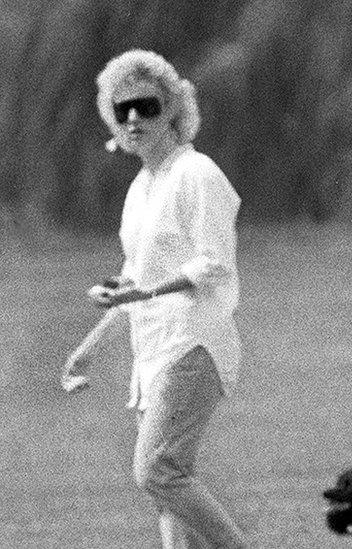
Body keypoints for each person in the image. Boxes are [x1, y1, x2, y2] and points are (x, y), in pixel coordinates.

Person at [62, 49, 247, 548]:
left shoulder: (198, 173)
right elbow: (133, 281)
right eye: (122, 110)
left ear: (172, 108)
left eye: (145, 105)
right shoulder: (141, 188)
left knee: (158, 471)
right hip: (154, 351)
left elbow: (212, 265)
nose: (134, 119)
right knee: (167, 490)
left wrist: (151, 291)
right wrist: (91, 346)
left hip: (194, 343)